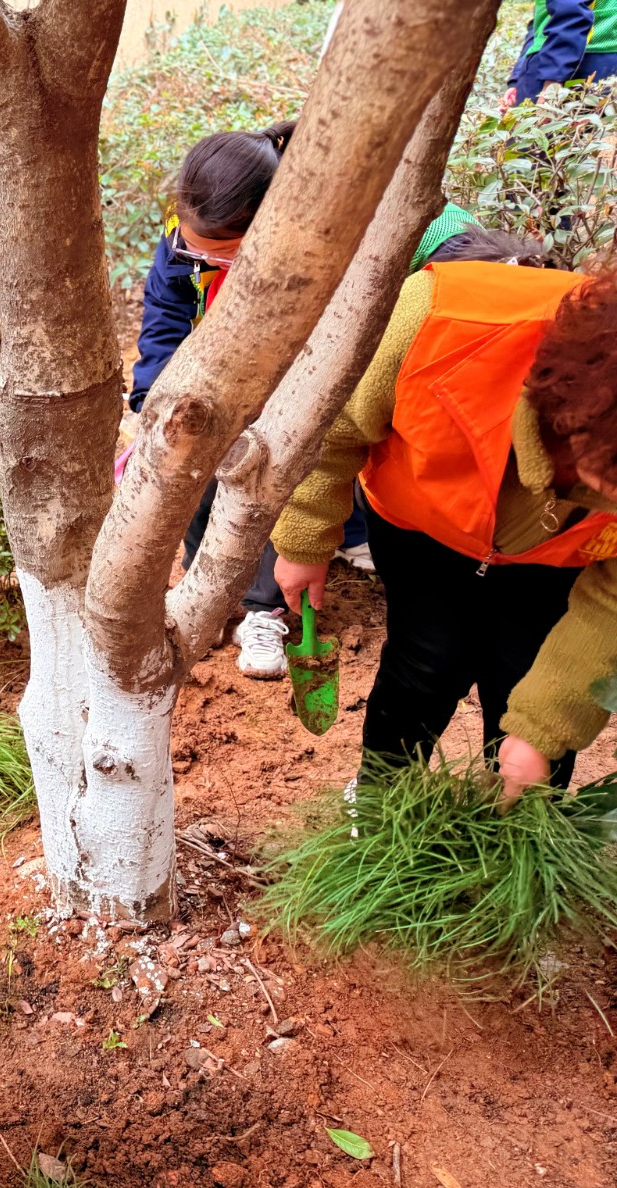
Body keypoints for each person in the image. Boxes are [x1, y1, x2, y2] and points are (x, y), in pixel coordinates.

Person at [130, 121, 482, 678]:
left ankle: (269, 600)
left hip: (402, 338)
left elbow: (340, 386)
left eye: (224, 256)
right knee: (208, 443)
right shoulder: (196, 229)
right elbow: (167, 314)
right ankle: (212, 587)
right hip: (259, 351)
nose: (202, 260)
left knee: (286, 450)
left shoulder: (356, 243)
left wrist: (307, 536)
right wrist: (154, 400)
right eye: (195, 250)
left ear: (275, 226)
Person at [273, 257, 617, 800]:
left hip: (557, 563)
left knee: (523, 675)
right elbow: (332, 427)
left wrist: (542, 732)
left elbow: (610, 606)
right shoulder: (438, 318)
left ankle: (520, 825)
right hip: (421, 530)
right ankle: (380, 798)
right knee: (424, 663)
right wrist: (304, 538)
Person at [503, 0, 617, 108]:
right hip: (565, 56)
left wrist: (551, 84)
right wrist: (516, 79)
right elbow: (539, 24)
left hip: (575, 62)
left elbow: (569, 9)